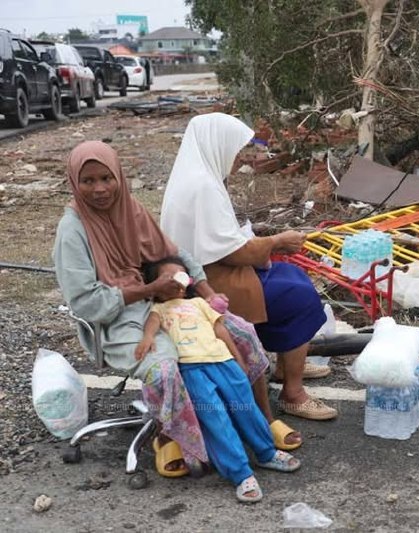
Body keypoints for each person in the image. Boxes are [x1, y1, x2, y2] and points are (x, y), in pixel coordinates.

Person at [52, 141, 276, 479]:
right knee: (166, 368)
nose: (100, 189)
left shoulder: (130, 209)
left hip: (161, 303)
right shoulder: (72, 231)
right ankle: (172, 436)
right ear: (74, 182)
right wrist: (148, 290)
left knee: (239, 331)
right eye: (89, 181)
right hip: (116, 322)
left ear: (119, 177)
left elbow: (176, 253)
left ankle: (262, 420)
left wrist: (206, 292)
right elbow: (87, 303)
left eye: (106, 178)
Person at [161, 113, 338, 424]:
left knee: (294, 277)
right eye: (235, 149)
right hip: (208, 284)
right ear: (218, 145)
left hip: (207, 271)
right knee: (299, 297)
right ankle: (292, 394)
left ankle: (287, 364)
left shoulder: (197, 175)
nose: (237, 157)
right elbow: (235, 251)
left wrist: (265, 243)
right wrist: (278, 240)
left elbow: (221, 240)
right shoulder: (202, 185)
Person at [136, 257, 300, 503]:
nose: (177, 282)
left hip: (223, 361)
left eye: (182, 275)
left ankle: (266, 453)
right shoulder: (158, 309)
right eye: (169, 277)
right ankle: (240, 473)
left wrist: (239, 361)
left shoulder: (200, 303)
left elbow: (221, 330)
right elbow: (152, 324)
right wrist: (147, 338)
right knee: (215, 417)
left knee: (246, 408)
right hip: (192, 369)